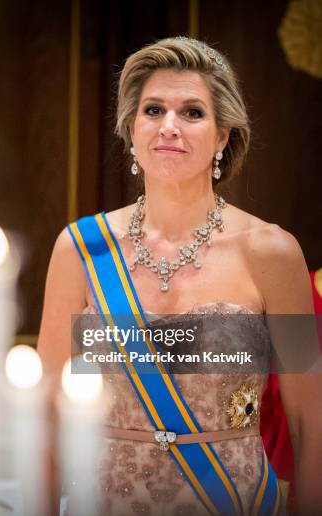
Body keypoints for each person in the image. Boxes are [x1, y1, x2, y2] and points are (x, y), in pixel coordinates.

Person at [37, 37, 322, 515]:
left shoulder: (271, 253)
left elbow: (311, 423)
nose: (169, 126)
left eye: (192, 112)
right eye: (153, 110)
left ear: (223, 135)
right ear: (131, 129)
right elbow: (44, 418)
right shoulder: (82, 250)